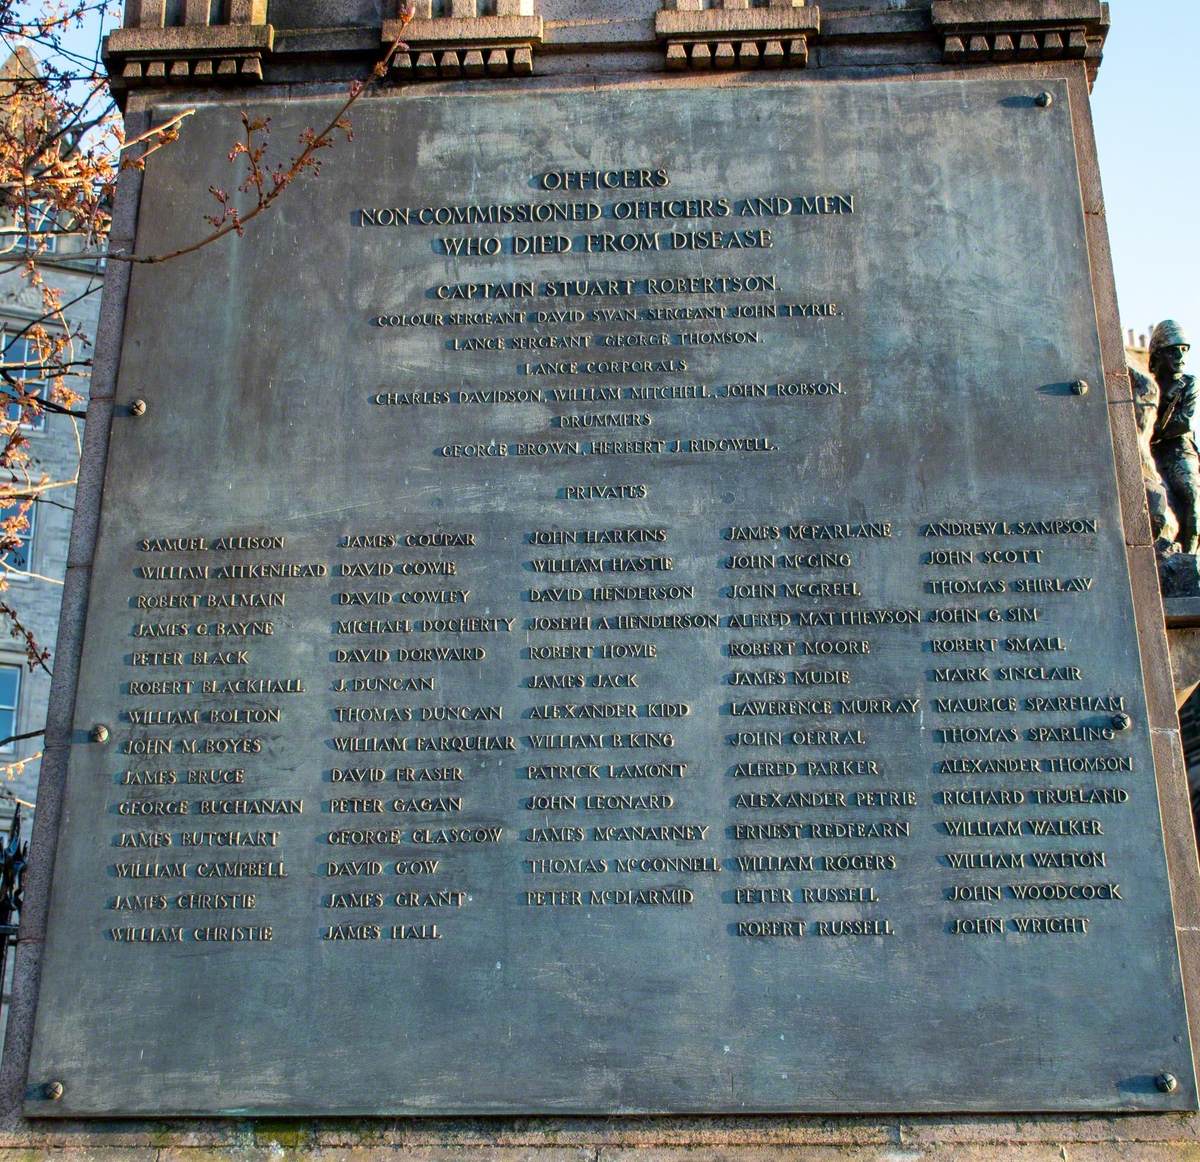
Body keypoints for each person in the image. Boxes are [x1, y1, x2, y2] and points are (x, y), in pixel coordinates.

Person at [1150, 320, 1198, 553]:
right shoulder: (1146, 385)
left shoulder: (1189, 384)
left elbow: (1185, 422)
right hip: (1152, 453)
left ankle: (1189, 558)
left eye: (1184, 349)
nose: (1180, 355)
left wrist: (1155, 430)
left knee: (1192, 496)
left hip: (1180, 450)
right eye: (1173, 350)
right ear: (1158, 354)